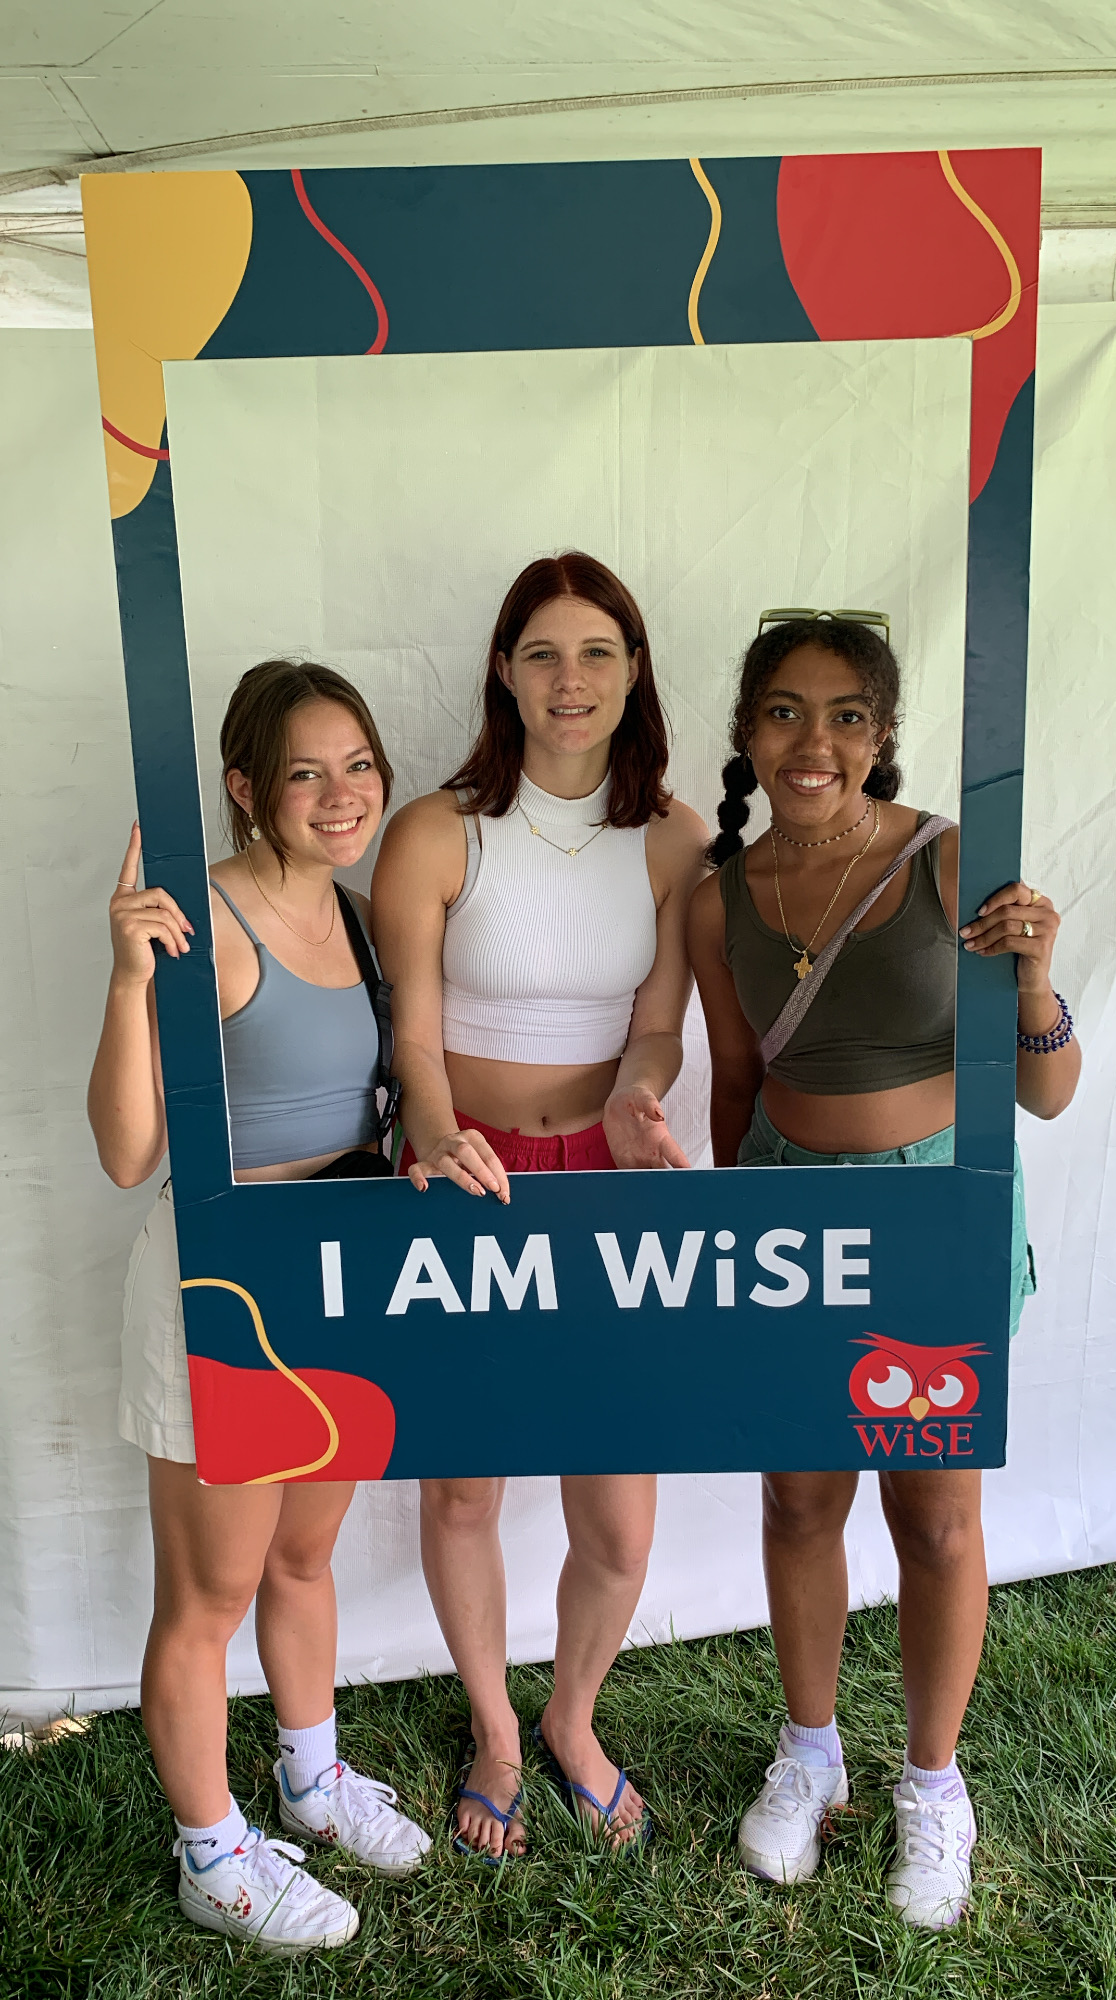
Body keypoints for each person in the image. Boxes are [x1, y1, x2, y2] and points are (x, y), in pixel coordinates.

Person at [687, 611, 1079, 1930]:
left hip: (927, 1220)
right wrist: (727, 1246)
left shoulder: (951, 860)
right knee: (799, 1502)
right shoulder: (715, 896)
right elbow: (736, 1081)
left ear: (883, 732)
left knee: (937, 1518)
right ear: (746, 729)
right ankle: (806, 1753)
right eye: (784, 711)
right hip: (784, 1215)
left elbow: (1046, 1094)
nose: (813, 741)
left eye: (846, 713)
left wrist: (1033, 975)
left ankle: (930, 1783)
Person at [88, 660, 431, 1954]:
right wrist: (128, 975)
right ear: (245, 787)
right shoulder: (198, 921)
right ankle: (211, 1853)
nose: (339, 794)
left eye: (356, 765)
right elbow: (129, 1151)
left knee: (301, 1557)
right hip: (222, 1292)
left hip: (333, 1286)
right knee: (209, 1594)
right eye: (304, 770)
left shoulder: (353, 915)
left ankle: (309, 1774)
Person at [372, 552, 708, 1858]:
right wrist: (443, 1132)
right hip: (469, 1179)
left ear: (633, 674)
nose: (570, 681)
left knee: (616, 1512)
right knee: (464, 1489)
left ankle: (571, 1718)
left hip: (609, 1189)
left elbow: (660, 1022)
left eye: (597, 653)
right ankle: (495, 1734)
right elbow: (413, 1031)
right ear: (502, 674)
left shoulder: (674, 835)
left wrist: (636, 1095)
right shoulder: (434, 829)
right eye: (542, 654)